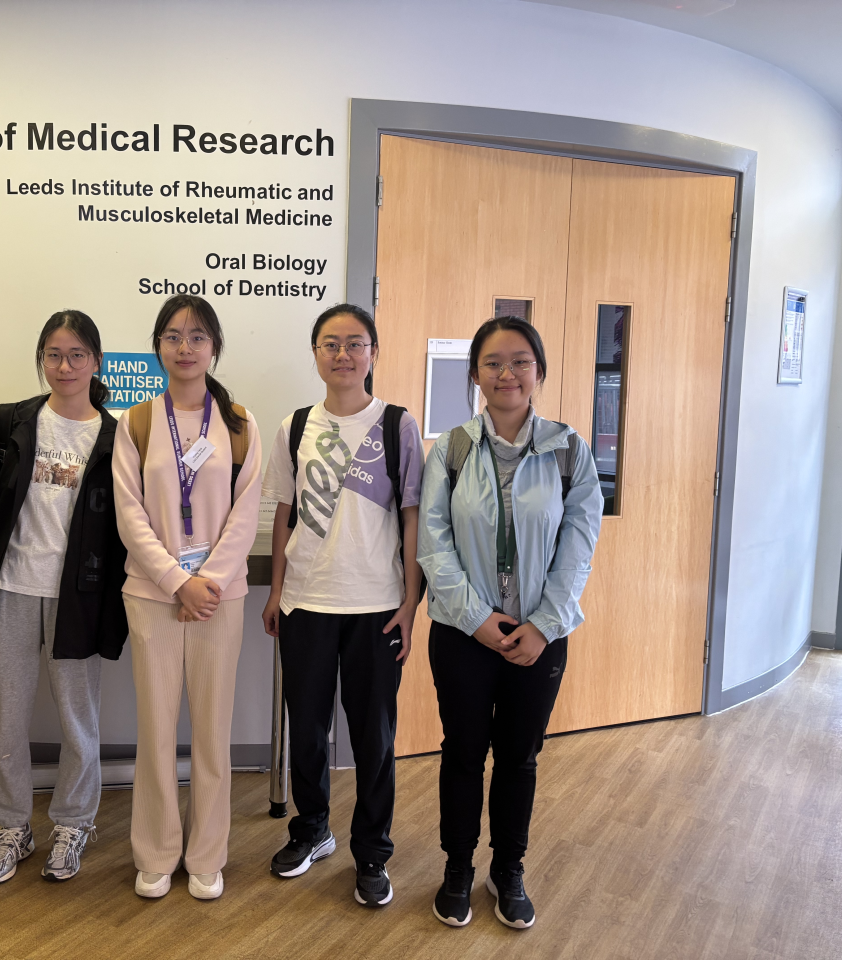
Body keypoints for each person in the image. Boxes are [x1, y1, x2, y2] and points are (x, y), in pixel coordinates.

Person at [418, 316, 602, 930]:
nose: (507, 373)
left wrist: (545, 624)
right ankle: (457, 868)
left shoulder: (568, 450)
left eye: (520, 361)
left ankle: (508, 869)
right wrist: (477, 619)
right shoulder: (450, 450)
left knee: (520, 757)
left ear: (539, 372)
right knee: (463, 753)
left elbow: (578, 545)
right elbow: (433, 545)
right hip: (462, 635)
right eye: (493, 362)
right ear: (475, 374)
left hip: (538, 638)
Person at [260, 303, 424, 908]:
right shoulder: (295, 426)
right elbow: (283, 513)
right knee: (306, 729)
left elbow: (413, 517)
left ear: (373, 354)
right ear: (316, 354)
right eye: (330, 344)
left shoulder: (398, 425)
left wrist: (410, 601)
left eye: (356, 344)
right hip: (306, 602)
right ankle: (311, 830)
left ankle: (372, 852)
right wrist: (277, 591)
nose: (343, 355)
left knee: (374, 738)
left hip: (377, 606)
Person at [0, 310, 127, 885]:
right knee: (6, 721)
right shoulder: (13, 420)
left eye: (77, 354)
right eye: (54, 354)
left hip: (76, 598)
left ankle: (73, 823)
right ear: (42, 360)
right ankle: (12, 826)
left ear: (96, 362)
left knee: (78, 720)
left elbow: (121, 528)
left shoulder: (115, 436)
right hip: (9, 588)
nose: (65, 365)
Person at [112, 294, 262, 902]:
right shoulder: (137, 421)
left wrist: (208, 582)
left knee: (212, 731)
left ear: (214, 347)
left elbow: (247, 512)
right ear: (158, 348)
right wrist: (178, 581)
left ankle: (206, 855)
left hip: (219, 600)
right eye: (173, 336)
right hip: (153, 596)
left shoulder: (240, 424)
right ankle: (155, 852)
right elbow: (129, 513)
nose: (184, 347)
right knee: (154, 730)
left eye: (197, 336)